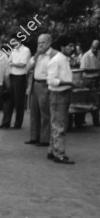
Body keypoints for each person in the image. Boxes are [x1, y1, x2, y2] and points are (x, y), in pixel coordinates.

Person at [47, 36, 76, 164]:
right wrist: (68, 83)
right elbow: (51, 80)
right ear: (62, 47)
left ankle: (52, 150)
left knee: (56, 123)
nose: (72, 48)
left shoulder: (64, 60)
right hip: (59, 94)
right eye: (69, 45)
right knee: (60, 125)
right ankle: (59, 153)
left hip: (62, 94)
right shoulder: (57, 60)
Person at [25, 34, 57, 146]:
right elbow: (28, 68)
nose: (40, 45)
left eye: (42, 43)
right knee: (34, 112)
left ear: (49, 42)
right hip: (36, 84)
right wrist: (36, 54)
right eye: (38, 43)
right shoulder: (38, 55)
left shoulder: (54, 55)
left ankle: (45, 139)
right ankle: (34, 137)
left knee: (45, 113)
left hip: (45, 85)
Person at [2, 37, 31, 129]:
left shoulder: (26, 50)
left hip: (20, 77)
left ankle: (18, 124)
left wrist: (11, 63)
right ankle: (6, 122)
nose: (13, 43)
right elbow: (8, 61)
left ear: (20, 41)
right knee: (9, 100)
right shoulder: (13, 50)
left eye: (14, 41)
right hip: (11, 75)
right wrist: (12, 63)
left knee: (19, 101)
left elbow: (22, 64)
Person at [78, 40, 100, 127]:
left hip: (97, 80)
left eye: (96, 48)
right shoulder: (86, 56)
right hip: (88, 80)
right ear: (91, 46)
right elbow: (82, 70)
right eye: (93, 48)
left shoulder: (98, 54)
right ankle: (80, 120)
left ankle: (95, 120)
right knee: (88, 101)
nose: (95, 50)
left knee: (95, 101)